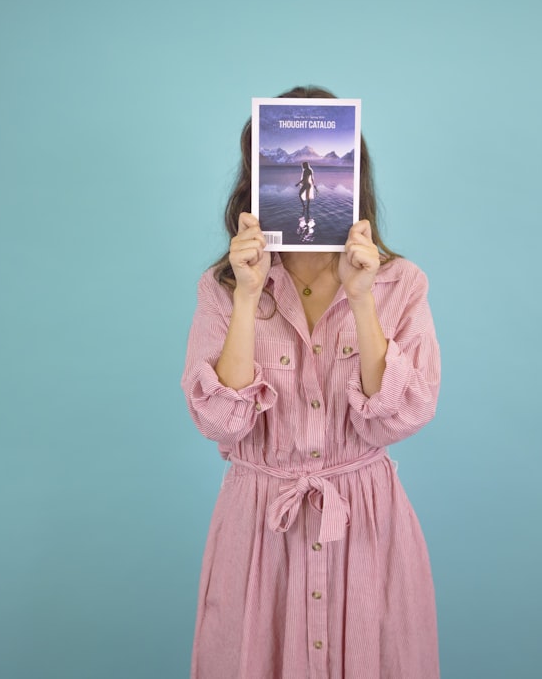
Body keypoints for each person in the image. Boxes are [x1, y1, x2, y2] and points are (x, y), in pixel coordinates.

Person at [181, 85, 441, 678]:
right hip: (257, 538)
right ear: (253, 178)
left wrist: (361, 298)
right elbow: (220, 420)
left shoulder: (400, 283)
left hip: (367, 530)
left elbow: (397, 418)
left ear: (351, 173)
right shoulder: (221, 289)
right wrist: (247, 297)